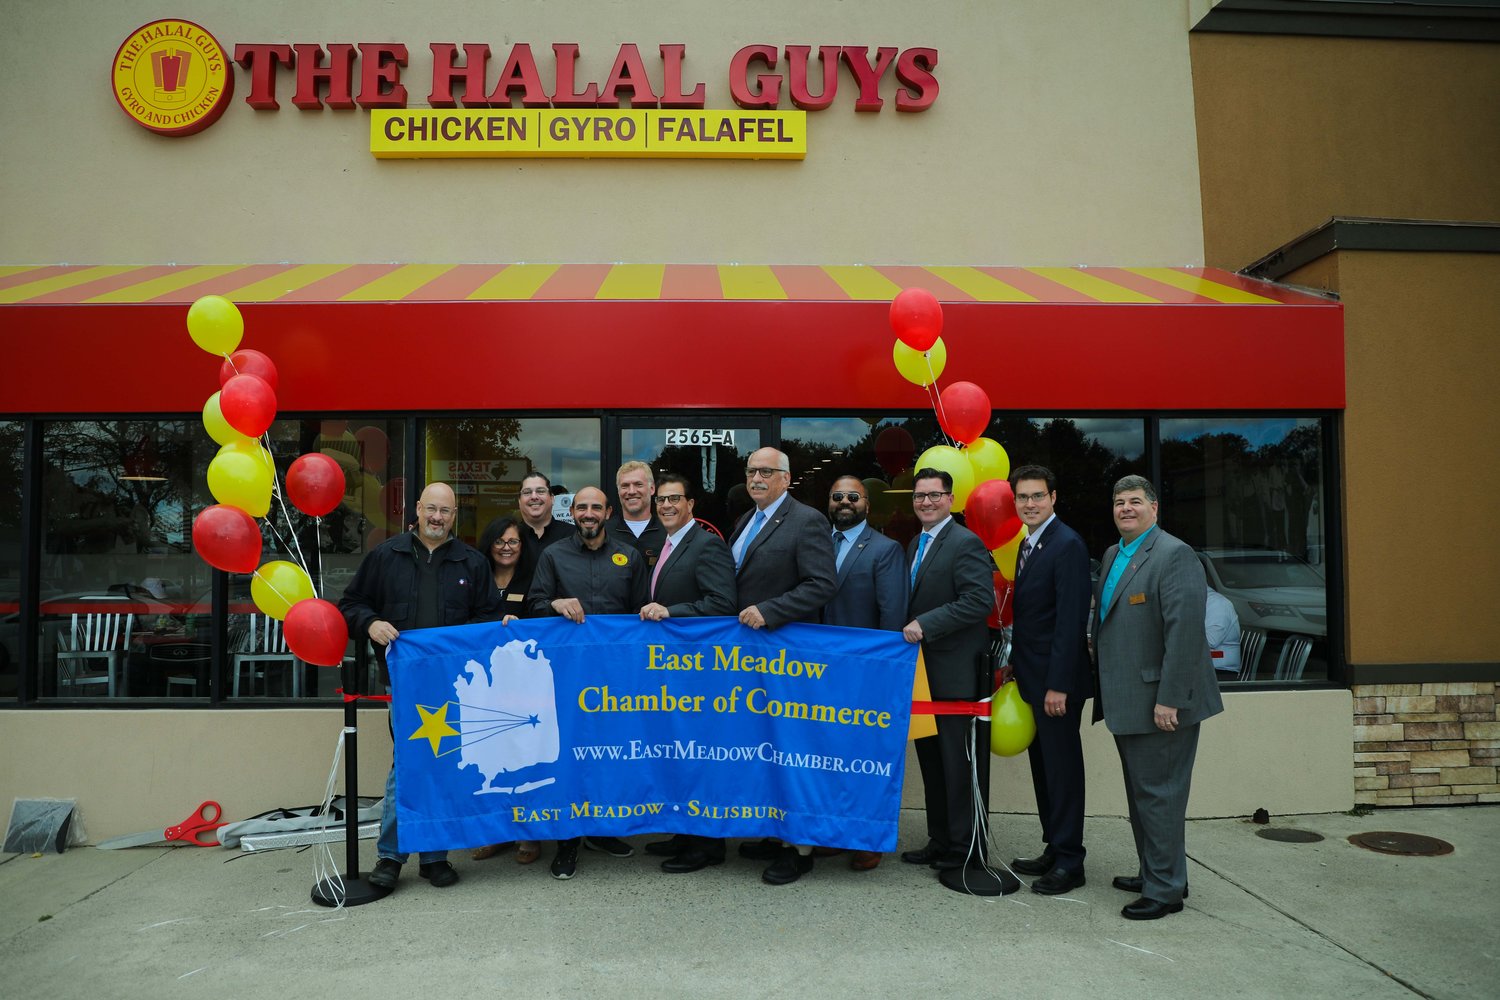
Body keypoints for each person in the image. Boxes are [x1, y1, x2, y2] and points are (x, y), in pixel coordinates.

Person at [338, 483, 501, 892]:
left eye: (445, 511)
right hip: (405, 686)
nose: (437, 517)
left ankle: (434, 857)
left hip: (455, 688)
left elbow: (489, 619)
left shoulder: (472, 564)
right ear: (417, 510)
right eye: (431, 509)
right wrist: (371, 624)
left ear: (454, 515)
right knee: (409, 765)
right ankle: (391, 856)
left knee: (446, 764)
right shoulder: (385, 557)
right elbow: (352, 605)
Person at [1092, 475, 1224, 920]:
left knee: (1160, 796)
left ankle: (1165, 891)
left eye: (1135, 501)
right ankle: (1157, 871)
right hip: (1128, 699)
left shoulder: (1175, 554)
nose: (1125, 508)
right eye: (1118, 502)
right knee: (1142, 795)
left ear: (1154, 508)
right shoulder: (1114, 553)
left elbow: (1184, 633)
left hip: (1161, 703)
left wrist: (1170, 699)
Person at [899, 468, 1018, 893]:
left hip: (953, 676)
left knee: (956, 763)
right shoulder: (916, 543)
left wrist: (925, 624)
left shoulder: (965, 542)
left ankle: (963, 847)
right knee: (932, 763)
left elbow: (978, 601)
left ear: (951, 499)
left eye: (934, 495)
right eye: (919, 495)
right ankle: (940, 840)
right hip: (923, 678)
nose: (926, 502)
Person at [527, 486, 651, 880]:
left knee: (609, 755)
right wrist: (553, 604)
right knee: (569, 756)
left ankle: (601, 830)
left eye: (596, 507)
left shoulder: (629, 557)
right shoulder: (553, 555)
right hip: (567, 679)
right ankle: (568, 840)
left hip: (617, 680)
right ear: (573, 513)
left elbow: (640, 615)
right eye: (582, 507)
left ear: (608, 512)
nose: (589, 513)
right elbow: (534, 604)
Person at [729, 446, 837, 885]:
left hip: (786, 657)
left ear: (785, 478)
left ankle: (801, 848)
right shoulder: (744, 520)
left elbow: (822, 584)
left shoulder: (807, 520)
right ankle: (776, 833)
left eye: (765, 472)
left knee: (792, 749)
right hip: (751, 660)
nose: (756, 478)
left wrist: (771, 610)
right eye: (752, 470)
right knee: (764, 747)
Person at [637, 472, 738, 874]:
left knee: (699, 754)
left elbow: (722, 603)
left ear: (691, 504)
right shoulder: (668, 544)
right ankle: (685, 830)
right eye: (660, 500)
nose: (666, 506)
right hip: (673, 672)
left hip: (700, 672)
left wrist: (670, 612)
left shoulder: (706, 545)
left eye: (674, 499)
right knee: (678, 752)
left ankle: (707, 845)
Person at [1004, 465, 1092, 895]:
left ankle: (1071, 861)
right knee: (1044, 768)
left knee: (1062, 770)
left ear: (1053, 498)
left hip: (1057, 685)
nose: (1030, 504)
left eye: (1038, 496)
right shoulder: (1030, 543)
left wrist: (1059, 684)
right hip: (1032, 679)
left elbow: (1070, 623)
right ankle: (1054, 848)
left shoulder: (1067, 545)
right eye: (1023, 497)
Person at [820, 474, 907, 870]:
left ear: (867, 505)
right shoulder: (818, 544)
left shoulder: (885, 550)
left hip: (864, 675)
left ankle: (867, 840)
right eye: (837, 496)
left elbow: (891, 617)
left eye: (853, 496)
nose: (844, 502)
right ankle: (835, 833)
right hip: (819, 673)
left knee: (864, 758)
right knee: (828, 756)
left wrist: (882, 673)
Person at [470, 515, 540, 866]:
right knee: (490, 758)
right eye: (500, 541)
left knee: (523, 755)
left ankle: (527, 836)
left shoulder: (533, 578)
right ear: (490, 544)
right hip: (486, 682)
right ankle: (494, 833)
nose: (507, 547)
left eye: (513, 541)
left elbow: (544, 617)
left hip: (523, 683)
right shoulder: (476, 574)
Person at [515, 470, 575, 594]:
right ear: (519, 501)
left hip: (560, 612)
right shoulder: (509, 537)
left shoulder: (573, 535)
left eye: (540, 491)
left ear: (552, 499)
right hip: (517, 612)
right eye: (527, 492)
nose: (534, 496)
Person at [605, 460, 667, 567]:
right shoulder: (604, 532)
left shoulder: (668, 532)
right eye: (625, 486)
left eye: (638, 484)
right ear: (618, 491)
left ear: (652, 489)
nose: (631, 491)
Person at [1206, 586, 1242, 679]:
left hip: (1219, 671)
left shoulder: (1217, 603)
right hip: (1202, 669)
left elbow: (1211, 640)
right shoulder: (1197, 601)